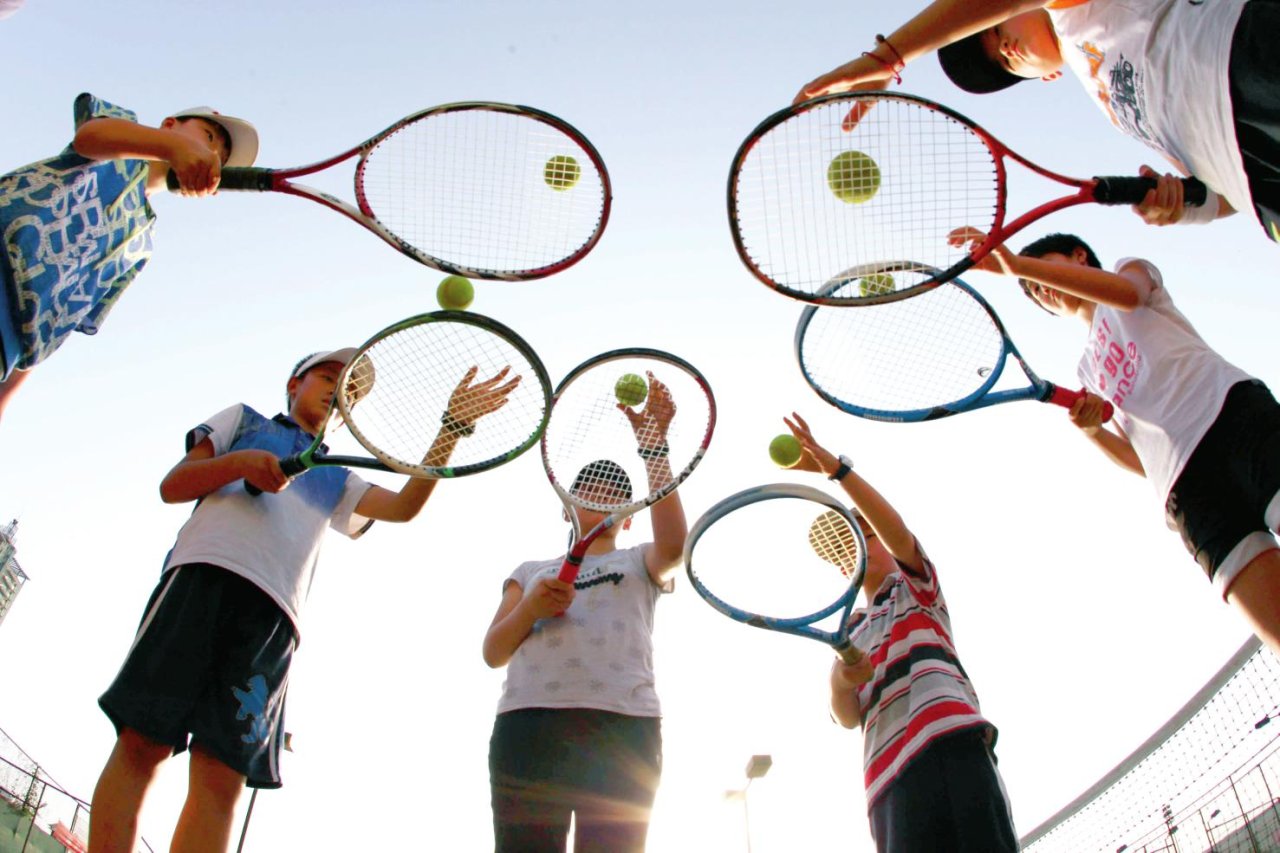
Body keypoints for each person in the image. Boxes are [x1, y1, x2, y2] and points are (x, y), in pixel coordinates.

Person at [88, 350, 521, 853]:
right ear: (293, 383)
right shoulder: (243, 421)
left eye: (352, 391)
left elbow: (403, 507)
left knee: (221, 775)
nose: (340, 390)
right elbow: (173, 485)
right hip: (199, 581)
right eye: (331, 376)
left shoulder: (339, 476)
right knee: (143, 743)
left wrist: (450, 429)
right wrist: (240, 462)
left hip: (273, 619)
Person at [952, 227, 1280, 660]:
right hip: (1186, 492)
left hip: (1231, 418)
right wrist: (1092, 432)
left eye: (1044, 274)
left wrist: (1015, 265)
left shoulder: (1130, 270)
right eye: (1032, 292)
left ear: (1079, 256)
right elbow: (1140, 456)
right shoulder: (1087, 369)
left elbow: (1126, 294)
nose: (1039, 290)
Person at [793, 0, 1280, 240]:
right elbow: (1221, 196)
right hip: (1262, 189)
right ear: (1047, 78)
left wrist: (891, 56)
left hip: (1248, 62)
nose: (1004, 46)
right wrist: (1184, 206)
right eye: (1003, 62)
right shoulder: (1106, 104)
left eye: (997, 28)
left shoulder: (1082, 10)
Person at [783, 411, 1017, 852]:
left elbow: (898, 534)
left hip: (953, 742)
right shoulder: (851, 630)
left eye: (865, 534)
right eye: (846, 543)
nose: (857, 544)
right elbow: (847, 715)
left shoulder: (915, 587)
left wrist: (837, 471)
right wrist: (839, 681)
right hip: (888, 780)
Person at [482, 373, 687, 852]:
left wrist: (654, 447)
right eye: (588, 489)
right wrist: (531, 605)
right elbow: (493, 652)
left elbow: (675, 545)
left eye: (614, 494)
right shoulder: (531, 570)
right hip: (529, 724)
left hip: (622, 724)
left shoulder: (638, 560)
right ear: (566, 506)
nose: (599, 496)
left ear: (631, 514)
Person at [0, 92, 259, 424]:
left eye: (219, 159)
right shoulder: (119, 141)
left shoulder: (142, 243)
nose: (211, 154)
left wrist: (5, 399)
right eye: (208, 137)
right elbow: (90, 137)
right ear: (169, 125)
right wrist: (175, 148)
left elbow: (58, 321)